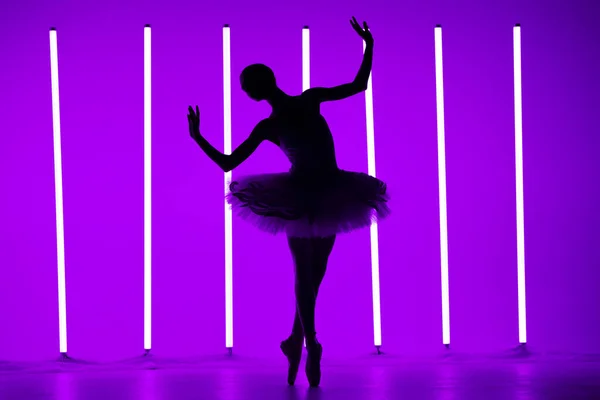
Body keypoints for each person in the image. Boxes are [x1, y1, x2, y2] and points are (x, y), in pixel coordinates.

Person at [187, 16, 389, 387]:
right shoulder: (309, 100)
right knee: (317, 271)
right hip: (331, 188)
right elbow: (360, 85)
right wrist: (368, 45)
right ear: (272, 81)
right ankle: (303, 341)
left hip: (304, 192)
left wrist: (198, 137)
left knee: (304, 272)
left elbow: (228, 163)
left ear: (252, 93)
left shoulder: (268, 125)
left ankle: (302, 340)